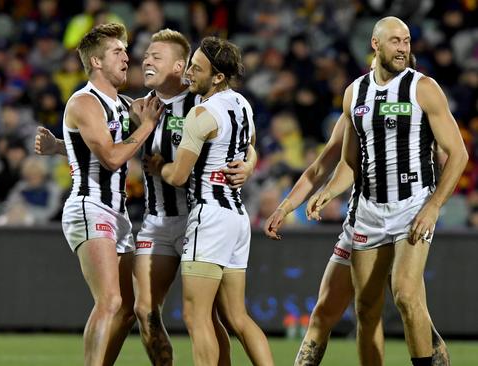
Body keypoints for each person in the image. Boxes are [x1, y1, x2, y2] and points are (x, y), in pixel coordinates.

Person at [35, 29, 255, 366]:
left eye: (156, 56)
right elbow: (101, 145)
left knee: (216, 314)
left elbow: (246, 138)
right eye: (145, 54)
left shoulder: (201, 100)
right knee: (141, 308)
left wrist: (250, 164)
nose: (143, 59)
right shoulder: (140, 108)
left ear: (180, 66)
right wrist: (61, 146)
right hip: (156, 220)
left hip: (198, 216)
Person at [265, 54, 449, 365]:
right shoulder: (359, 104)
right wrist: (288, 205)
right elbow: (331, 164)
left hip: (407, 213)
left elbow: (447, 156)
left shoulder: (419, 105)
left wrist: (433, 203)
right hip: (363, 217)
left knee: (410, 303)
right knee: (333, 309)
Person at [307, 17, 466, 366]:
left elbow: (459, 153)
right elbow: (350, 161)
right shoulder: (355, 92)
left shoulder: (423, 87)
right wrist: (329, 192)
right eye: (395, 41)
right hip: (368, 210)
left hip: (413, 205)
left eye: (407, 41)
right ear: (375, 45)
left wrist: (435, 205)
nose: (403, 48)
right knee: (365, 309)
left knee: (406, 295)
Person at [145, 36, 274, 366]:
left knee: (196, 316)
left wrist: (158, 165)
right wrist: (248, 165)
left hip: (210, 215)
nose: (189, 73)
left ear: (217, 76)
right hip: (237, 216)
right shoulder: (242, 104)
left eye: (197, 68)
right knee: (237, 318)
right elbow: (251, 147)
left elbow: (178, 176)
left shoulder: (201, 113)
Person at [54, 23, 163, 366]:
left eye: (124, 50)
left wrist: (59, 147)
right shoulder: (84, 102)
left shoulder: (122, 104)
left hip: (117, 215)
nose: (125, 57)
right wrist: (146, 126)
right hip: (90, 207)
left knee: (129, 309)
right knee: (110, 301)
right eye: (117, 51)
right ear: (96, 62)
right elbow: (112, 156)